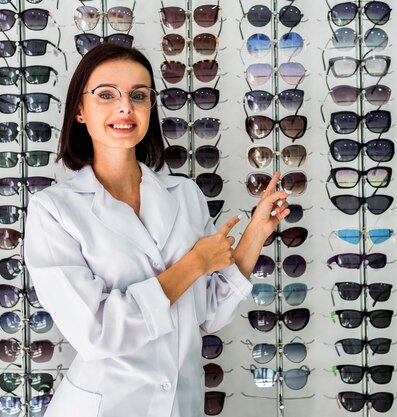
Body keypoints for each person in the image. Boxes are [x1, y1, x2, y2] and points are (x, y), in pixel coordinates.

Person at [23, 43, 290, 417]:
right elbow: (97, 332)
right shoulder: (54, 210)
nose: (124, 107)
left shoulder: (184, 195)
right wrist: (194, 264)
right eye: (106, 95)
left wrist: (257, 232)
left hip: (181, 405)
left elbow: (209, 312)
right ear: (80, 111)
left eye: (138, 95)